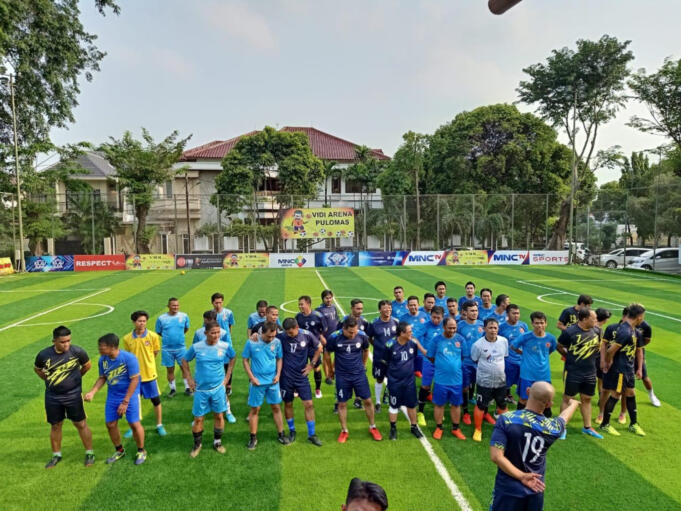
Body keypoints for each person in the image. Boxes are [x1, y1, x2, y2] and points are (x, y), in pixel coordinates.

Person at [488, 382, 581, 511]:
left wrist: (522, 476)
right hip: (535, 490)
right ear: (549, 404)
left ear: (527, 391)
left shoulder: (506, 420)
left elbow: (496, 457)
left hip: (508, 490)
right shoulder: (552, 428)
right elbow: (563, 418)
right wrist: (573, 404)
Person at [34, 325, 94, 468]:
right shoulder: (43, 355)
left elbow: (87, 365)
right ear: (54, 341)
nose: (66, 344)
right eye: (63, 342)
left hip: (73, 395)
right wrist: (50, 380)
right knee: (55, 425)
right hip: (52, 396)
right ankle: (56, 455)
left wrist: (76, 378)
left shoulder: (77, 352)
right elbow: (38, 369)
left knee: (80, 424)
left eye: (68, 341)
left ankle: (89, 453)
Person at [84, 333, 146, 465]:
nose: (99, 349)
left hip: (130, 395)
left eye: (102, 346)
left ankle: (141, 451)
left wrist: (125, 401)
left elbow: (135, 380)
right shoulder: (103, 360)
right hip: (113, 395)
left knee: (134, 424)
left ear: (112, 347)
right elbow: (103, 377)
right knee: (110, 424)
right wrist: (92, 392)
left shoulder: (129, 358)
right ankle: (119, 450)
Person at [181, 320, 235, 457]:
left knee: (219, 415)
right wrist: (189, 379)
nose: (216, 335)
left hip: (218, 388)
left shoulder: (224, 346)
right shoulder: (197, 347)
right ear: (206, 333)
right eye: (213, 333)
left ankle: (217, 442)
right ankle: (197, 445)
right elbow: (184, 360)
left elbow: (233, 357)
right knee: (198, 419)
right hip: (201, 390)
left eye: (218, 332)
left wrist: (227, 376)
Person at [326, 317, 382, 443]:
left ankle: (373, 427)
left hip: (359, 375)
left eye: (355, 331)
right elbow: (327, 353)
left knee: (368, 401)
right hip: (342, 376)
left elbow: (366, 350)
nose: (353, 335)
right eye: (350, 332)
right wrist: (330, 370)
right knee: (342, 403)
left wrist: (363, 364)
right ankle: (344, 430)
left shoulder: (362, 336)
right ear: (343, 329)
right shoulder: (334, 337)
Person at [599, 304, 646, 437]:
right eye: (643, 316)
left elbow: (637, 351)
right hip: (620, 369)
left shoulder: (633, 330)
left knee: (631, 393)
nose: (643, 318)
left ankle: (633, 424)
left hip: (628, 368)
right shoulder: (625, 331)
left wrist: (638, 368)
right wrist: (608, 362)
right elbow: (610, 350)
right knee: (616, 394)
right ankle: (605, 424)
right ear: (639, 316)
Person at [242, 322, 290, 450]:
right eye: (269, 336)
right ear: (261, 333)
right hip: (257, 383)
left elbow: (279, 358)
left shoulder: (277, 342)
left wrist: (278, 374)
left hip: (273, 382)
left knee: (276, 407)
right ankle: (253, 438)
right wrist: (252, 378)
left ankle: (281, 434)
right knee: (255, 409)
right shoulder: (251, 342)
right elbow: (245, 360)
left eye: (273, 336)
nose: (271, 339)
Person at [557, 308, 602, 439]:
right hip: (573, 371)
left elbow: (598, 347)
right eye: (593, 318)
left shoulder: (597, 331)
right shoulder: (569, 332)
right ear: (584, 319)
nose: (596, 320)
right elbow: (559, 345)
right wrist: (568, 356)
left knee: (587, 399)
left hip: (590, 372)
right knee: (567, 398)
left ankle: (587, 427)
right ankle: (562, 427)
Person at [278, 318, 323, 446]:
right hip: (286, 377)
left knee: (309, 404)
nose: (289, 335)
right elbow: (267, 339)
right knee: (288, 404)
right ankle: (292, 431)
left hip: (301, 377)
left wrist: (311, 365)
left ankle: (312, 434)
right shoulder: (281, 336)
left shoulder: (307, 335)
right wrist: (255, 336)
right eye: (287, 332)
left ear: (297, 327)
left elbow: (319, 347)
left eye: (291, 332)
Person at [122, 311, 166, 438]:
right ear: (134, 322)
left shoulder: (153, 336)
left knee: (156, 400)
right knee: (133, 403)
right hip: (134, 377)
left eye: (144, 321)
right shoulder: (127, 338)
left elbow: (155, 352)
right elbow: (128, 357)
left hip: (149, 375)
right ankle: (133, 427)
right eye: (139, 321)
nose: (142, 323)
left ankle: (159, 425)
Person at [381, 322, 427, 440]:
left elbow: (415, 358)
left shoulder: (413, 343)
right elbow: (384, 362)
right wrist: (390, 377)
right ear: (402, 333)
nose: (412, 333)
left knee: (411, 405)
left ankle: (414, 427)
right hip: (395, 382)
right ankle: (393, 428)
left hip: (409, 381)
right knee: (394, 405)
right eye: (409, 331)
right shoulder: (390, 345)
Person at [192, 310, 237, 423]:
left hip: (219, 365)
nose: (210, 323)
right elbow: (194, 347)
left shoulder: (223, 332)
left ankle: (228, 411)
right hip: (204, 368)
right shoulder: (198, 333)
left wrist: (226, 369)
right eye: (208, 320)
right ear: (204, 320)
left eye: (212, 320)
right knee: (201, 392)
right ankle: (198, 417)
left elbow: (228, 348)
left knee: (221, 389)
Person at [510, 312, 557, 416]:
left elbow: (550, 350)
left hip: (544, 374)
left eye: (542, 323)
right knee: (524, 399)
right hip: (527, 373)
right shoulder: (525, 337)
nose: (539, 325)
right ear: (532, 324)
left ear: (546, 323)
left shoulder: (551, 338)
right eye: (537, 323)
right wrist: (523, 353)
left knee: (546, 399)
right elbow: (513, 346)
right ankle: (519, 419)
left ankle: (545, 421)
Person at [428, 317, 466, 440]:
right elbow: (430, 356)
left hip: (456, 379)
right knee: (439, 404)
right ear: (444, 327)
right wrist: (442, 365)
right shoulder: (436, 340)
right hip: (441, 380)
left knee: (456, 404)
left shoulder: (460, 339)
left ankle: (456, 428)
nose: (452, 330)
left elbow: (463, 356)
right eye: (450, 328)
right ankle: (439, 427)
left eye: (454, 328)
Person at [471, 318, 509, 442]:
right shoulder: (478, 345)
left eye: (495, 328)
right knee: (481, 405)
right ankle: (478, 429)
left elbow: (504, 356)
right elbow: (474, 359)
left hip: (500, 381)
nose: (493, 330)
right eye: (490, 328)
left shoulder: (504, 341)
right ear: (484, 329)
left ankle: (505, 430)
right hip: (484, 381)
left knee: (502, 405)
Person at [366, 300, 400, 412]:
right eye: (385, 308)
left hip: (393, 358)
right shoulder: (374, 323)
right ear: (379, 310)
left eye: (389, 308)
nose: (388, 310)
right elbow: (369, 337)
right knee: (379, 378)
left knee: (393, 379)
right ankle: (378, 403)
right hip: (379, 357)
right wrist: (377, 345)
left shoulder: (396, 322)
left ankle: (393, 401)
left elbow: (400, 337)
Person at [155, 297, 191, 397]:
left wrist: (178, 337)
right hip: (167, 349)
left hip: (181, 348)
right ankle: (173, 389)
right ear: (168, 306)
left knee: (184, 368)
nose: (176, 307)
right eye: (173, 305)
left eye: (177, 305)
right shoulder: (161, 318)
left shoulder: (184, 316)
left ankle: (188, 388)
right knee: (170, 370)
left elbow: (186, 328)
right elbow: (159, 331)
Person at [457, 300, 484, 425]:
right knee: (465, 387)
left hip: (480, 362)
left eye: (476, 310)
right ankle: (466, 412)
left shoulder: (482, 324)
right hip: (465, 362)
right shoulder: (460, 326)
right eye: (472, 311)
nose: (474, 313)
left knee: (480, 386)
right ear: (465, 312)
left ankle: (482, 411)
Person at [340, 299, 370, 409]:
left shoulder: (364, 322)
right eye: (358, 309)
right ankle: (338, 402)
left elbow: (367, 339)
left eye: (361, 309)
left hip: (358, 355)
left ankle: (358, 400)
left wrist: (364, 363)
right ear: (352, 308)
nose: (360, 311)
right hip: (345, 355)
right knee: (342, 380)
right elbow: (338, 334)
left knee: (359, 378)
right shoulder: (344, 321)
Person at [418, 305, 445, 426]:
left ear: (442, 317)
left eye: (438, 318)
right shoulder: (425, 326)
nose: (436, 320)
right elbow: (414, 338)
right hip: (428, 361)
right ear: (430, 316)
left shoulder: (445, 326)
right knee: (425, 386)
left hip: (442, 361)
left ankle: (439, 410)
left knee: (440, 385)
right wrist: (423, 350)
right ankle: (420, 412)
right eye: (434, 317)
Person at [296, 295, 325, 399]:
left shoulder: (318, 316)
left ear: (308, 304)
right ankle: (298, 388)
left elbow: (323, 329)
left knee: (316, 367)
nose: (300, 306)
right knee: (301, 366)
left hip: (314, 346)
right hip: (302, 346)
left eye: (302, 304)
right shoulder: (298, 317)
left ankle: (318, 389)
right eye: (299, 304)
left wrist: (320, 340)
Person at [499, 304, 528, 405]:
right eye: (514, 313)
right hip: (508, 360)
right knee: (505, 382)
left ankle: (522, 403)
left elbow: (526, 341)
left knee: (523, 383)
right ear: (507, 314)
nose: (516, 315)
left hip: (522, 360)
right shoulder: (501, 327)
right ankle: (502, 403)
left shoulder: (523, 325)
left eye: (518, 313)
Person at [400, 295, 429, 379]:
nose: (413, 307)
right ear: (407, 306)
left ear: (418, 305)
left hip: (421, 350)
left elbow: (427, 331)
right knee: (407, 374)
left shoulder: (424, 315)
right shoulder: (403, 318)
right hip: (407, 350)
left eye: (415, 305)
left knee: (421, 374)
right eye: (411, 305)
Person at [317, 289, 339, 385]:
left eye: (330, 298)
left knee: (338, 354)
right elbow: (316, 326)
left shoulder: (334, 307)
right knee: (326, 356)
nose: (329, 300)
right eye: (327, 298)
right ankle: (327, 377)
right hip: (325, 337)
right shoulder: (319, 310)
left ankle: (332, 370)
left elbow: (337, 320)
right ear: (323, 299)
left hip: (335, 336)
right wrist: (321, 336)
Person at [636, 319, 661, 407]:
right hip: (625, 352)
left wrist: (638, 347)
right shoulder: (624, 322)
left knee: (644, 377)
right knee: (622, 375)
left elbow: (647, 340)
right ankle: (618, 393)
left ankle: (652, 395)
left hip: (638, 352)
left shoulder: (646, 326)